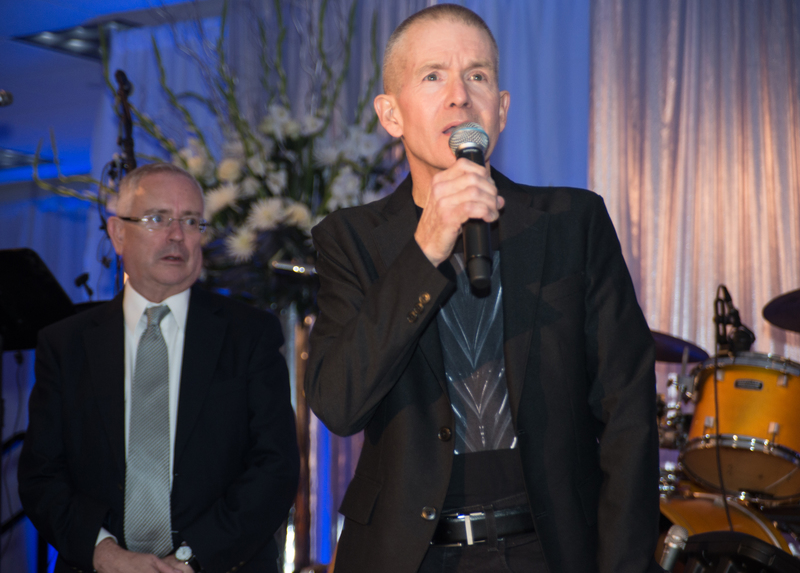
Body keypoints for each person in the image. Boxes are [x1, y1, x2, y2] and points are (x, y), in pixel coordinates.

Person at [304, 5, 662, 573]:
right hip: (412, 555)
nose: (459, 96)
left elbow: (628, 413)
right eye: (432, 76)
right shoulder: (350, 240)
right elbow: (339, 402)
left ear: (502, 108)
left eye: (477, 75)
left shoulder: (572, 221)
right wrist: (425, 250)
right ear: (390, 114)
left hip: (550, 549)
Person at [19, 163, 300, 573]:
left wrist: (189, 558)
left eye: (191, 221)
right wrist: (104, 553)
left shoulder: (249, 334)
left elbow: (275, 467)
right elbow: (41, 475)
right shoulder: (66, 344)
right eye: (157, 219)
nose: (176, 235)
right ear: (117, 234)